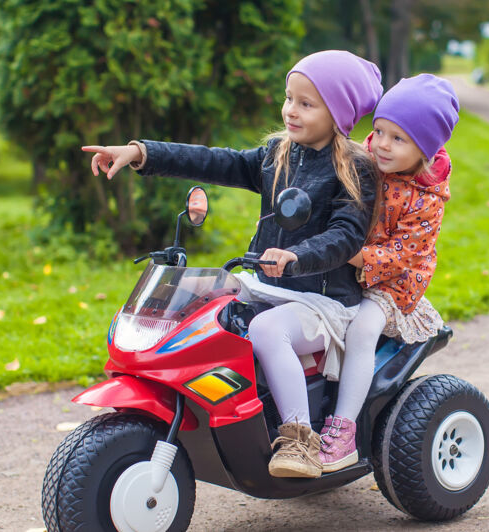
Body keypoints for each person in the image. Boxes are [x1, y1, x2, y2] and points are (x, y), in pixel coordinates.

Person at [81, 50, 382, 479]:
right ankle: (198, 404)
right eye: (288, 97)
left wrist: (297, 256)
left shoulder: (354, 169)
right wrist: (140, 152)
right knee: (199, 306)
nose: (290, 111)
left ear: (338, 114)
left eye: (306, 103)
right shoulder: (279, 152)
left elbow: (347, 235)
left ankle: (300, 439)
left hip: (322, 301)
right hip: (267, 284)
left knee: (264, 329)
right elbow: (213, 160)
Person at [319, 74, 459, 472]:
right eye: (379, 130)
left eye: (398, 138)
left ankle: (343, 428)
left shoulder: (427, 199)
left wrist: (345, 251)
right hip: (348, 262)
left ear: (425, 149)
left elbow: (399, 255)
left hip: (392, 281)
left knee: (362, 329)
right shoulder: (363, 160)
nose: (381, 143)